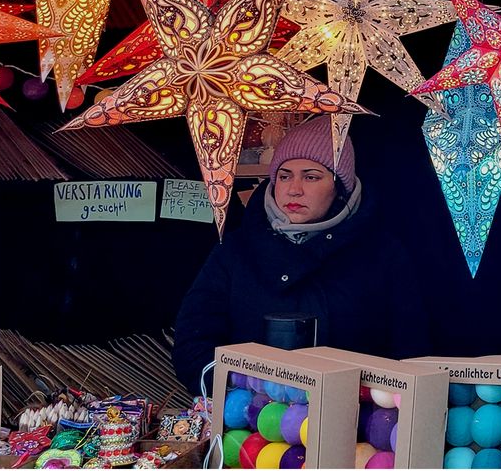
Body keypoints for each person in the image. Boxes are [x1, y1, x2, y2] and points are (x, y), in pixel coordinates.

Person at [172, 116, 431, 394]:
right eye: (284, 176)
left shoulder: (383, 255)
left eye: (311, 176)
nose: (294, 189)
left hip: (356, 427)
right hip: (250, 428)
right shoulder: (235, 251)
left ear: (339, 186)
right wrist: (243, 391)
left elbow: (411, 354)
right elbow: (192, 346)